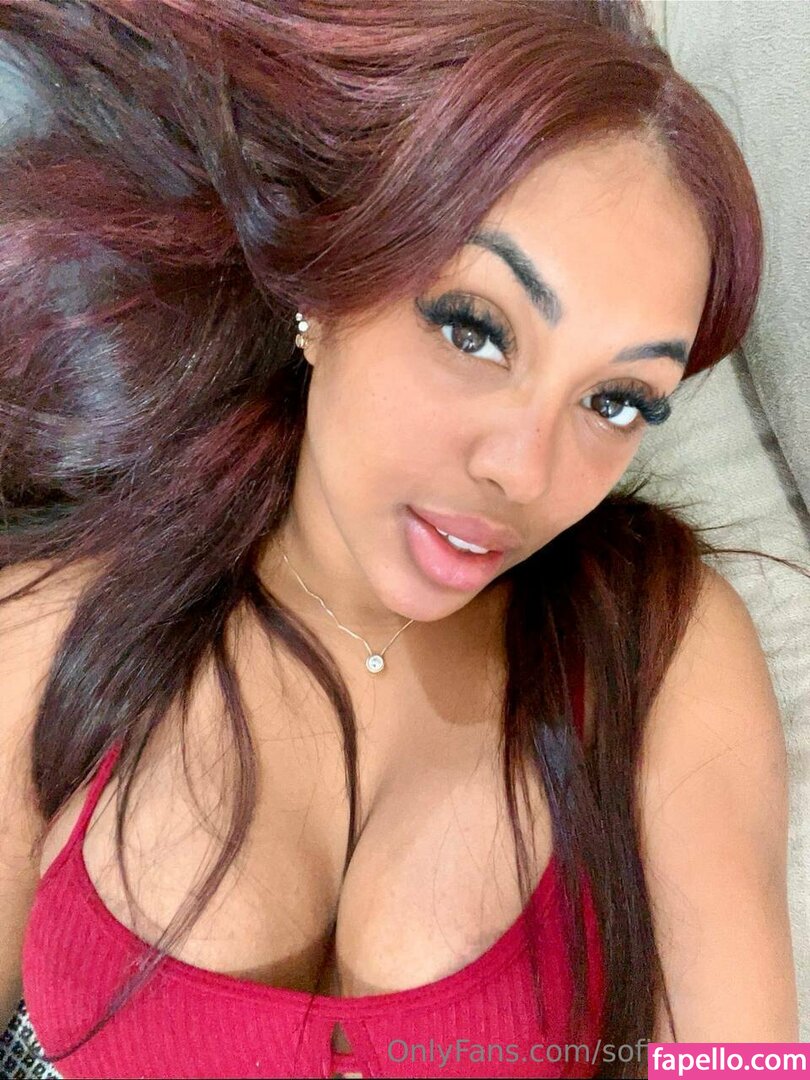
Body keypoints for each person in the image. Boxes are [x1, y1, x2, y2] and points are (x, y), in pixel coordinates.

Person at [0, 2, 801, 1078]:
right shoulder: (57, 636)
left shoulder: (658, 648)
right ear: (329, 289)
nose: (523, 471)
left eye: (616, 401)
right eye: (476, 331)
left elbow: (742, 1064)